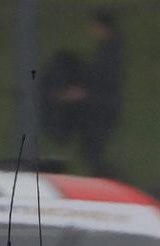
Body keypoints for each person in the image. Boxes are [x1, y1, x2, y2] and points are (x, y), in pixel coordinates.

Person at [64, 10, 124, 176]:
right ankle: (106, 179)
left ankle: (113, 182)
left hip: (102, 109)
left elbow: (106, 80)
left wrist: (85, 94)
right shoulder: (107, 49)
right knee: (90, 152)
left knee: (93, 152)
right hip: (100, 106)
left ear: (103, 27)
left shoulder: (110, 53)